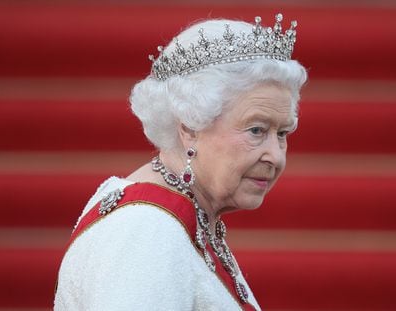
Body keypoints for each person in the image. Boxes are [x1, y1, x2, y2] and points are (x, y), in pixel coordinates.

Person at [54, 13, 307, 311]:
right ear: (189, 127)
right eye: (256, 130)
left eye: (283, 133)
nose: (275, 156)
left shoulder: (181, 218)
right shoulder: (145, 231)